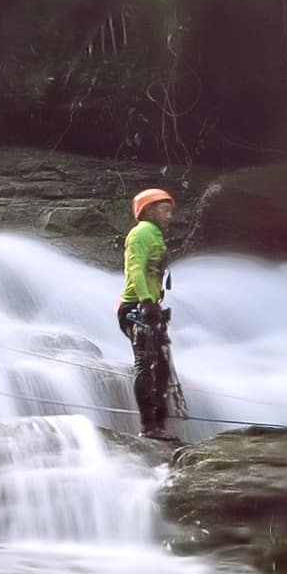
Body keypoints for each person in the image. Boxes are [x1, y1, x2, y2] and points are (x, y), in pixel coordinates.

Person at [117, 187, 176, 437]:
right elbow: (135, 270)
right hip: (136, 307)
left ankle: (159, 425)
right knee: (146, 362)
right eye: (165, 210)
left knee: (161, 366)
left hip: (151, 307)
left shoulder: (155, 235)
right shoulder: (141, 233)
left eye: (170, 211)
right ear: (148, 211)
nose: (170, 216)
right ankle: (148, 426)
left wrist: (154, 305)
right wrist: (146, 302)